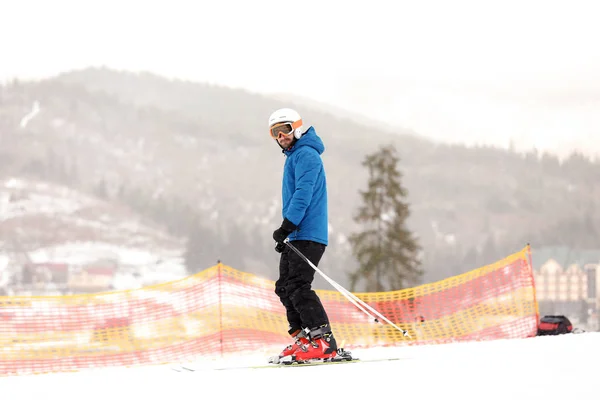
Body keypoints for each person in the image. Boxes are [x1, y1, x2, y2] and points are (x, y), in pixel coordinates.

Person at [268, 107, 339, 363]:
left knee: (298, 285)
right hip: (296, 232)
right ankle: (305, 339)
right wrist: (288, 231)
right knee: (284, 287)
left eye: (284, 130)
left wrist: (287, 225)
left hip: (308, 232)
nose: (280, 136)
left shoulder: (307, 155)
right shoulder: (294, 156)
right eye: (274, 133)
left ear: (296, 127)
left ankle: (323, 341)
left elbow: (303, 194)